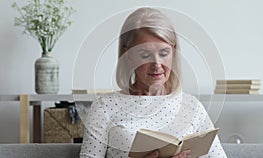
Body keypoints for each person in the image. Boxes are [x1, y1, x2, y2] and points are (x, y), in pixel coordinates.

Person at [79, 7, 227, 158]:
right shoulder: (105, 106)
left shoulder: (192, 106)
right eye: (145, 55)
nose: (157, 64)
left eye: (164, 53)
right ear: (127, 55)